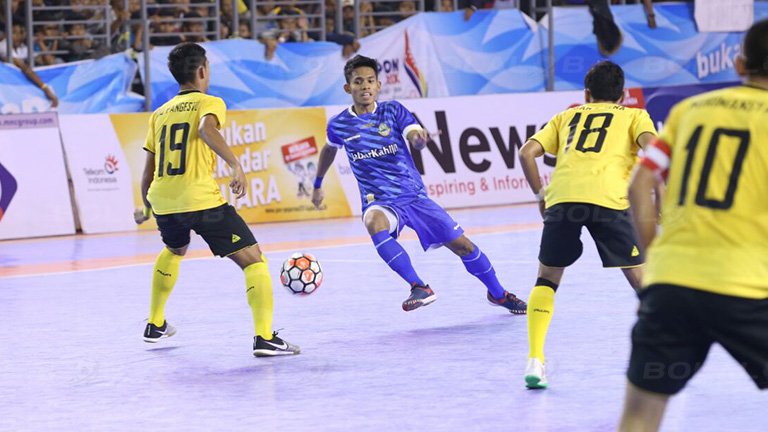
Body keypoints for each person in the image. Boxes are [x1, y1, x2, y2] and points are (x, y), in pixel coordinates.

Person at [618, 19, 768, 432]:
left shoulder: (689, 111)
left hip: (672, 284)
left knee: (638, 418)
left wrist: (655, 264)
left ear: (739, 64)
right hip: (748, 288)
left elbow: (640, 185)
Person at [312, 55, 527, 314]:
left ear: (378, 85)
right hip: (379, 201)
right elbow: (329, 149)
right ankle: (419, 286)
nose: (365, 86)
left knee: (464, 246)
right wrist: (317, 183)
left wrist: (419, 140)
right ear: (348, 88)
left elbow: (413, 133)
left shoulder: (393, 110)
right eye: (358, 82)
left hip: (413, 196)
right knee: (373, 222)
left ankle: (499, 295)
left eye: (370, 80)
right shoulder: (339, 125)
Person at [134, 42, 299, 357]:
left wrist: (145, 207)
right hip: (200, 200)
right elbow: (206, 129)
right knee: (254, 260)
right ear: (201, 71)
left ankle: (155, 323)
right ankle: (264, 337)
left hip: (164, 201)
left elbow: (147, 173)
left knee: (175, 249)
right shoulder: (209, 102)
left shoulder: (158, 114)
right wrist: (236, 165)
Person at [518, 60, 658, 389]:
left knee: (547, 278)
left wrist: (540, 195)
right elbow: (655, 150)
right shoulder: (635, 116)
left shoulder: (566, 116)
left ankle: (535, 359)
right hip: (610, 199)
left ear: (586, 94)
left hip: (563, 199)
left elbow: (526, 153)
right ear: (623, 95)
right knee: (641, 278)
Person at [0, 23, 58, 108]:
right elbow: (23, 67)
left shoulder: (23, 47)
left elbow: (50, 62)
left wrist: (40, 43)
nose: (18, 36)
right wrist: (45, 88)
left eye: (21, 32)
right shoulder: (3, 46)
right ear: (6, 34)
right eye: (14, 32)